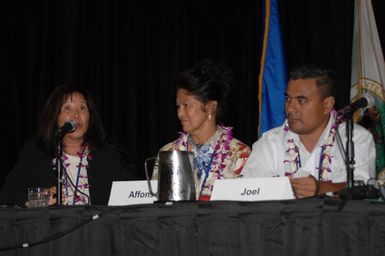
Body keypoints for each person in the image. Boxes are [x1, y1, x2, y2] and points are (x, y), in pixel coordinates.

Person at [242, 65, 376, 198]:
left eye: (301, 101)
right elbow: (248, 190)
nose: (290, 109)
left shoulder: (355, 138)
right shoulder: (270, 142)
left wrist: (322, 188)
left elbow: (364, 188)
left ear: (327, 104)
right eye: (288, 99)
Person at [0, 83, 125, 207]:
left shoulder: (109, 157)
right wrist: (39, 197)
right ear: (55, 116)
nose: (76, 114)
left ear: (90, 117)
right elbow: (6, 194)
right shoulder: (35, 153)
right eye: (67, 108)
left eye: (82, 108)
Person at [152, 59, 251, 201]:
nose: (180, 113)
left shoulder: (239, 155)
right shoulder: (167, 153)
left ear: (210, 107)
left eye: (186, 105)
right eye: (178, 106)